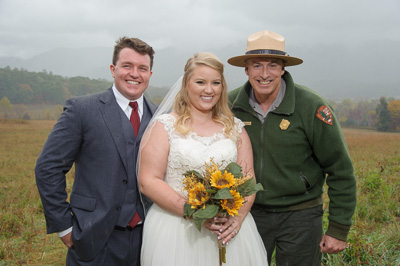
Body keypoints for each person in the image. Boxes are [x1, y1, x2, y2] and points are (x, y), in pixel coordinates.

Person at [228, 30, 357, 265]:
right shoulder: (229, 106)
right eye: (257, 65)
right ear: (245, 68)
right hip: (248, 214)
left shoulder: (311, 106)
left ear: (283, 68)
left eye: (273, 65)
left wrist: (338, 229)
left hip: (301, 215)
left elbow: (341, 170)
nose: (265, 74)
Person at [35, 37, 158, 265]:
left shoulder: (160, 117)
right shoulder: (82, 110)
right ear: (113, 69)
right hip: (93, 238)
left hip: (148, 239)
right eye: (127, 66)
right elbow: (47, 168)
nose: (135, 74)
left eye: (143, 68)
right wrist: (64, 228)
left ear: (150, 74)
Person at [138, 52, 268, 265]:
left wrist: (237, 219)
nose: (209, 90)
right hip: (177, 230)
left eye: (216, 83)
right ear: (186, 84)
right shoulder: (165, 127)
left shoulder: (235, 129)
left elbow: (248, 179)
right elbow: (148, 181)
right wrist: (195, 213)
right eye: (200, 82)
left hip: (228, 230)